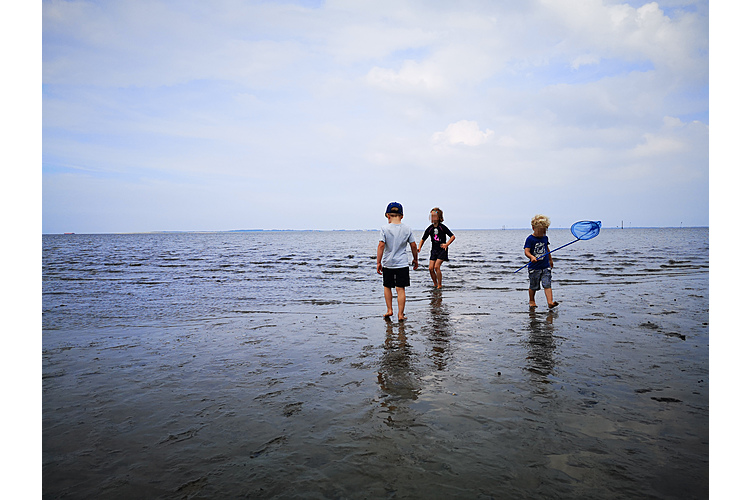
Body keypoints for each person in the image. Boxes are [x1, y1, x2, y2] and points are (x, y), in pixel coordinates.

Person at [377, 202, 419, 321]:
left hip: (388, 263)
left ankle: (389, 310)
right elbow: (413, 245)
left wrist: (378, 262)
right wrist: (415, 259)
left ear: (388, 215)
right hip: (402, 263)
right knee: (400, 289)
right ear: (402, 215)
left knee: (387, 286)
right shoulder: (407, 229)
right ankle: (400, 314)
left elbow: (381, 246)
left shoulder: (384, 229)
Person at [524, 214, 559, 309]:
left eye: (544, 231)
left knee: (547, 284)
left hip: (545, 266)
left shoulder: (545, 238)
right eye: (540, 231)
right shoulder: (530, 239)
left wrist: (550, 260)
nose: (543, 233)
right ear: (533, 228)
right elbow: (526, 251)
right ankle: (532, 300)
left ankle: (550, 302)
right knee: (533, 286)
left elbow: (547, 249)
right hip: (534, 268)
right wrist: (531, 257)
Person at [417, 207, 455, 289]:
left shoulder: (442, 227)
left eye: (434, 216)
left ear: (439, 218)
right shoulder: (430, 228)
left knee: (436, 267)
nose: (432, 218)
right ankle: (435, 283)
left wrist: (446, 244)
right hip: (434, 250)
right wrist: (419, 247)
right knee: (430, 268)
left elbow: (452, 236)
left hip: (442, 250)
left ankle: (440, 284)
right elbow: (423, 239)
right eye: (431, 216)